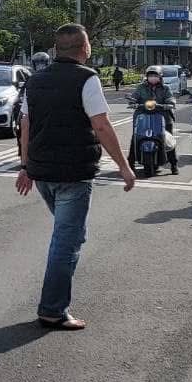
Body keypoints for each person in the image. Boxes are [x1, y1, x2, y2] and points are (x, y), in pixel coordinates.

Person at [16, 25, 136, 331]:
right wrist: (123, 166)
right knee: (65, 242)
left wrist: (26, 166)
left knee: (70, 234)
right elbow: (102, 125)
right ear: (85, 47)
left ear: (57, 49)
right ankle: (52, 310)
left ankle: (54, 304)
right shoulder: (87, 78)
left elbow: (25, 124)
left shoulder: (36, 81)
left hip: (42, 174)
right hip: (74, 173)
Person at [128, 65, 179, 174]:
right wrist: (132, 102)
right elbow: (135, 96)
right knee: (135, 137)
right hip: (143, 115)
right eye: (150, 76)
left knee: (168, 139)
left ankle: (173, 164)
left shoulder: (166, 88)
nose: (153, 78)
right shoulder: (141, 87)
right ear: (147, 77)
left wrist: (170, 103)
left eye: (155, 75)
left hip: (162, 115)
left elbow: (170, 98)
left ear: (160, 77)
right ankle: (130, 164)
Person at [17, 52, 51, 153]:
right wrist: (18, 99)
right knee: (20, 123)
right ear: (34, 64)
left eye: (42, 63)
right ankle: (22, 148)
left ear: (47, 63)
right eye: (37, 63)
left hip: (48, 108)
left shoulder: (52, 78)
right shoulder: (30, 79)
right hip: (33, 107)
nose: (40, 66)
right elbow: (22, 92)